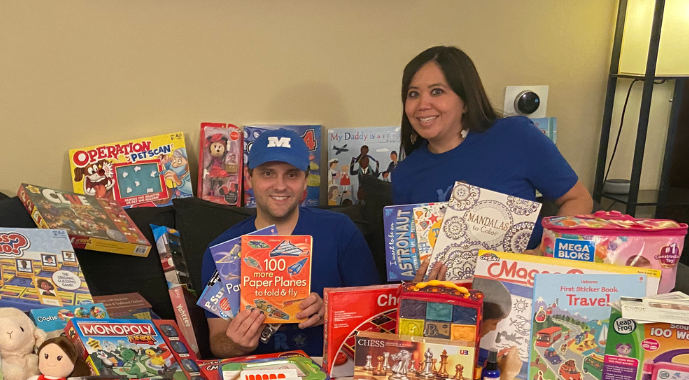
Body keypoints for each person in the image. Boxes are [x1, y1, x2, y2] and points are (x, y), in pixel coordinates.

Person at [391, 46, 593, 280]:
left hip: (527, 289)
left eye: (437, 91)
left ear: (465, 101)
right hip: (452, 302)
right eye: (413, 94)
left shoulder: (515, 137)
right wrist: (419, 282)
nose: (422, 104)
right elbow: (410, 266)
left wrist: (543, 254)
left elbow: (578, 199)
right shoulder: (404, 174)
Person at [201, 129, 380, 358]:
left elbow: (377, 316)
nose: (280, 186)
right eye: (267, 173)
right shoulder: (224, 251)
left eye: (292, 175)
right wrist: (236, 344)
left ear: (305, 180)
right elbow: (217, 341)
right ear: (248, 177)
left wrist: (333, 312)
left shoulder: (340, 230)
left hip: (330, 374)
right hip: (258, 376)